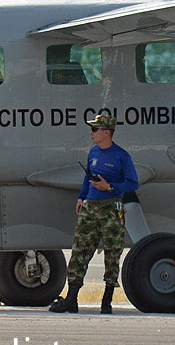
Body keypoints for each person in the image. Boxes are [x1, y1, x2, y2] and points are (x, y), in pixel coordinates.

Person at [51, 112, 139, 314]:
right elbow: (87, 178)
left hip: (110, 207)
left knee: (112, 253)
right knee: (80, 251)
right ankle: (71, 299)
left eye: (94, 129)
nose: (91, 133)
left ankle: (106, 301)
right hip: (90, 206)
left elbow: (133, 183)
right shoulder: (93, 152)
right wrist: (82, 197)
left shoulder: (122, 156)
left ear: (106, 132)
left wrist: (110, 187)